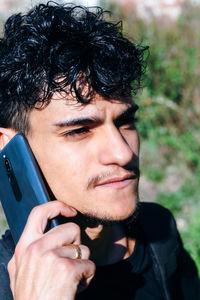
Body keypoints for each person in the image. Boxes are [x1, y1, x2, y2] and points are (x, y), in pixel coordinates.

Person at [0, 2, 199, 300]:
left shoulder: (159, 232)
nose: (122, 153)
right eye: (79, 130)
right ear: (8, 147)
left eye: (125, 121)